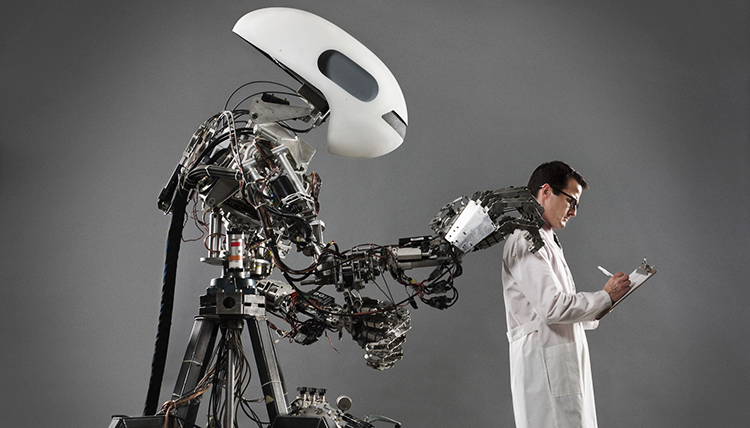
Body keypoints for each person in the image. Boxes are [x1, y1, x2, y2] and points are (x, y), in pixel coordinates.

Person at [501, 161, 631, 428]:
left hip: (560, 361)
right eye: (571, 201)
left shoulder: (545, 238)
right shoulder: (527, 238)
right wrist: (604, 296)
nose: (573, 212)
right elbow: (552, 308)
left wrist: (605, 303)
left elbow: (560, 311)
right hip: (544, 364)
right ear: (546, 191)